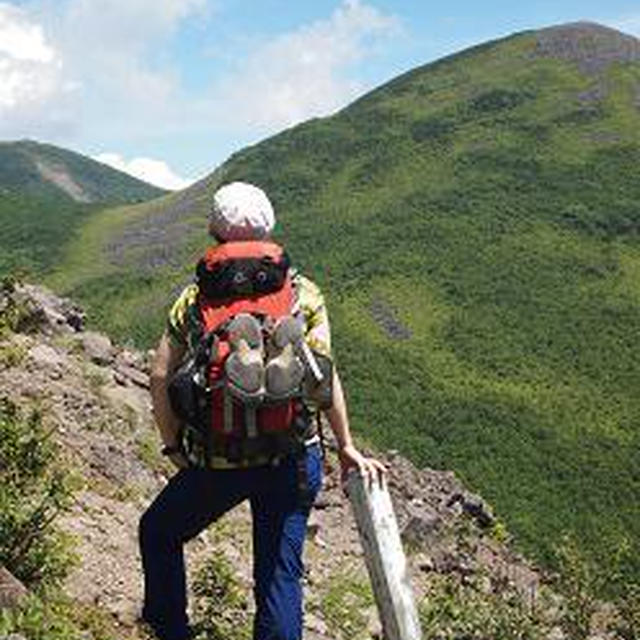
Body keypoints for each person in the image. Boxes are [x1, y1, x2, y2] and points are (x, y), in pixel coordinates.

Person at [139, 181, 385, 640]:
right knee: (278, 575)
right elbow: (323, 376)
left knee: (159, 532)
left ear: (215, 232)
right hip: (291, 454)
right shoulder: (302, 293)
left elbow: (159, 374)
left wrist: (173, 444)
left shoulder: (195, 297)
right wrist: (347, 446)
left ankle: (170, 630)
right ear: (269, 229)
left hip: (218, 455)